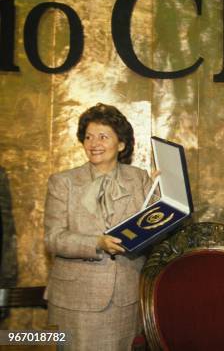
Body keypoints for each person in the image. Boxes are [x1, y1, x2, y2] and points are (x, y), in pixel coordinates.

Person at [45, 103, 152, 350]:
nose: (94, 143)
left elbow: (156, 228)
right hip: (75, 301)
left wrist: (164, 195)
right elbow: (53, 238)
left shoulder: (139, 179)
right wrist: (97, 242)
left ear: (122, 144)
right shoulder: (63, 182)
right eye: (88, 137)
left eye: (103, 136)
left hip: (125, 300)